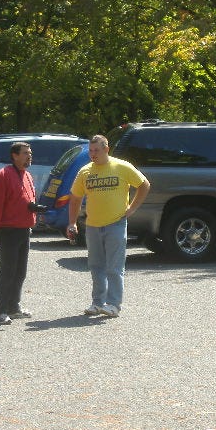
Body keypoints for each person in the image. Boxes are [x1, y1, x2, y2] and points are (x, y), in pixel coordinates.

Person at [67, 134, 150, 317]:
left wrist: (132, 208)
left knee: (114, 266)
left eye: (96, 150)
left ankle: (113, 304)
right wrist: (72, 223)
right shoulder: (85, 172)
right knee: (96, 266)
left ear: (106, 149)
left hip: (116, 223)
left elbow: (144, 185)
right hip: (93, 225)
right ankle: (97, 303)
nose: (93, 154)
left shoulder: (121, 167)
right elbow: (75, 198)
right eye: (90, 150)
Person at [0, 142, 37, 325]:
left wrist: (35, 209)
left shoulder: (27, 175)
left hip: (24, 230)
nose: (29, 156)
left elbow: (25, 200)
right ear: (14, 155)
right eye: (25, 153)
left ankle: (14, 307)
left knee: (20, 272)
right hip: (8, 231)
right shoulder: (3, 175)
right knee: (7, 271)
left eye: (30, 153)